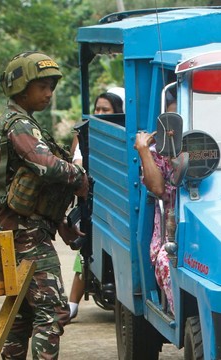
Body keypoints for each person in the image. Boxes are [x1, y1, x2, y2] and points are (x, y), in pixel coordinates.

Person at [0, 51, 88, 360]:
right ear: (20, 87)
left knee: (22, 316)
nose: (48, 93)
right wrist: (80, 177)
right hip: (24, 233)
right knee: (52, 310)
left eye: (51, 87)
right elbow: (46, 166)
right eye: (41, 86)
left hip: (21, 230)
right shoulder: (18, 124)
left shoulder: (22, 123)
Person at [67, 89, 124, 321]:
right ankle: (71, 304)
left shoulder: (120, 136)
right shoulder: (85, 134)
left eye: (105, 110)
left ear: (117, 113)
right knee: (84, 250)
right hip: (91, 201)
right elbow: (78, 163)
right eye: (98, 109)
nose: (99, 113)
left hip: (113, 201)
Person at [134, 129, 176, 314]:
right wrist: (144, 149)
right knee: (166, 262)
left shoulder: (207, 148)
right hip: (173, 236)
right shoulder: (159, 153)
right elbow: (158, 188)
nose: (175, 130)